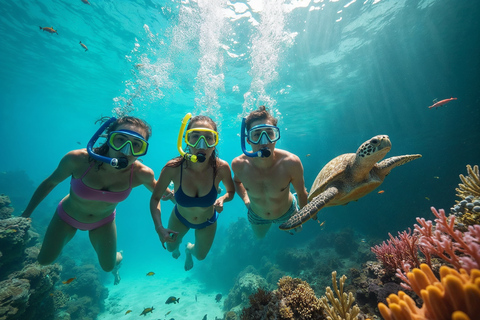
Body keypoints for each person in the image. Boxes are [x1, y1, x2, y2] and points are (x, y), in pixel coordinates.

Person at [22, 116, 169, 284]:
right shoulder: (78, 159)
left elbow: (161, 194)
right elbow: (50, 183)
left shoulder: (142, 173)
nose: (126, 150)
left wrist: (173, 195)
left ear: (143, 149)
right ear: (108, 138)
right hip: (67, 216)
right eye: (120, 139)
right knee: (44, 261)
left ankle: (117, 255)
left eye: (136, 144)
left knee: (108, 266)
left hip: (103, 222)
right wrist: (26, 213)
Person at [150, 114, 235, 271]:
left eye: (209, 138)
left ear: (215, 143)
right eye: (195, 137)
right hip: (180, 218)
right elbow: (155, 198)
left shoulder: (221, 168)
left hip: (207, 222)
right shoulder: (173, 167)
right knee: (170, 248)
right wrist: (159, 228)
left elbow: (230, 192)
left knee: (200, 256)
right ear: (186, 140)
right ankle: (176, 247)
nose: (201, 144)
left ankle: (189, 250)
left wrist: (223, 198)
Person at [231, 106, 308, 239]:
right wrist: (246, 200)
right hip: (257, 215)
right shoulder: (239, 164)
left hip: (288, 212)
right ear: (248, 139)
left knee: (299, 231)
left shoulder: (291, 163)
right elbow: (237, 182)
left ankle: (290, 224)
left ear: (276, 136)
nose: (264, 141)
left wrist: (302, 216)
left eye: (269, 133)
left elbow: (302, 193)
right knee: (259, 238)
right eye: (257, 134)